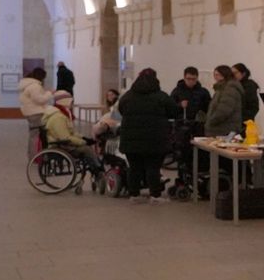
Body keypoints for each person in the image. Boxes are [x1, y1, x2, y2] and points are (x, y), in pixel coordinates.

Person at [116, 68, 177, 203]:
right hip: (155, 139)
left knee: (134, 167)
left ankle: (134, 195)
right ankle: (155, 195)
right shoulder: (161, 96)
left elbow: (121, 110)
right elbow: (174, 111)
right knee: (153, 168)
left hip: (131, 139)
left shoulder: (128, 96)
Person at [41, 91, 101, 170]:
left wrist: (83, 138)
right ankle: (98, 170)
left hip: (62, 143)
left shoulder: (60, 114)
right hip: (60, 146)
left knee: (87, 147)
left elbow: (70, 132)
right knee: (87, 149)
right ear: (65, 102)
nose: (72, 104)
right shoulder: (58, 118)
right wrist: (82, 142)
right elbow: (65, 137)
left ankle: (97, 167)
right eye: (71, 101)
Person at [204, 66, 244, 138]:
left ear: (223, 75)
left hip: (224, 130)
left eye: (217, 74)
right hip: (220, 128)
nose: (215, 77)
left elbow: (224, 111)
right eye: (214, 75)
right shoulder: (221, 89)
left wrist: (211, 121)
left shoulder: (229, 89)